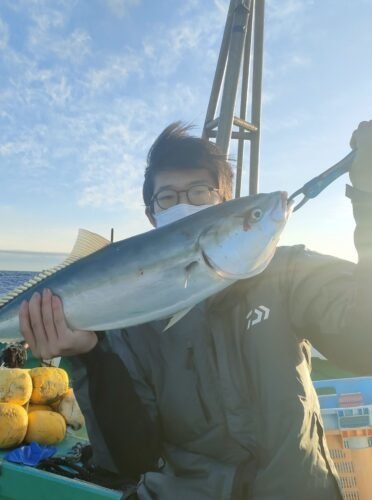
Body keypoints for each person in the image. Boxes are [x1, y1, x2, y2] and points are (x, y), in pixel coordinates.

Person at [19, 120, 372, 499]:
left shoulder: (288, 274)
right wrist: (90, 358)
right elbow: (130, 459)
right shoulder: (127, 319)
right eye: (167, 197)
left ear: (225, 200)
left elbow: (362, 342)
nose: (183, 205)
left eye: (200, 192)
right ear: (152, 216)